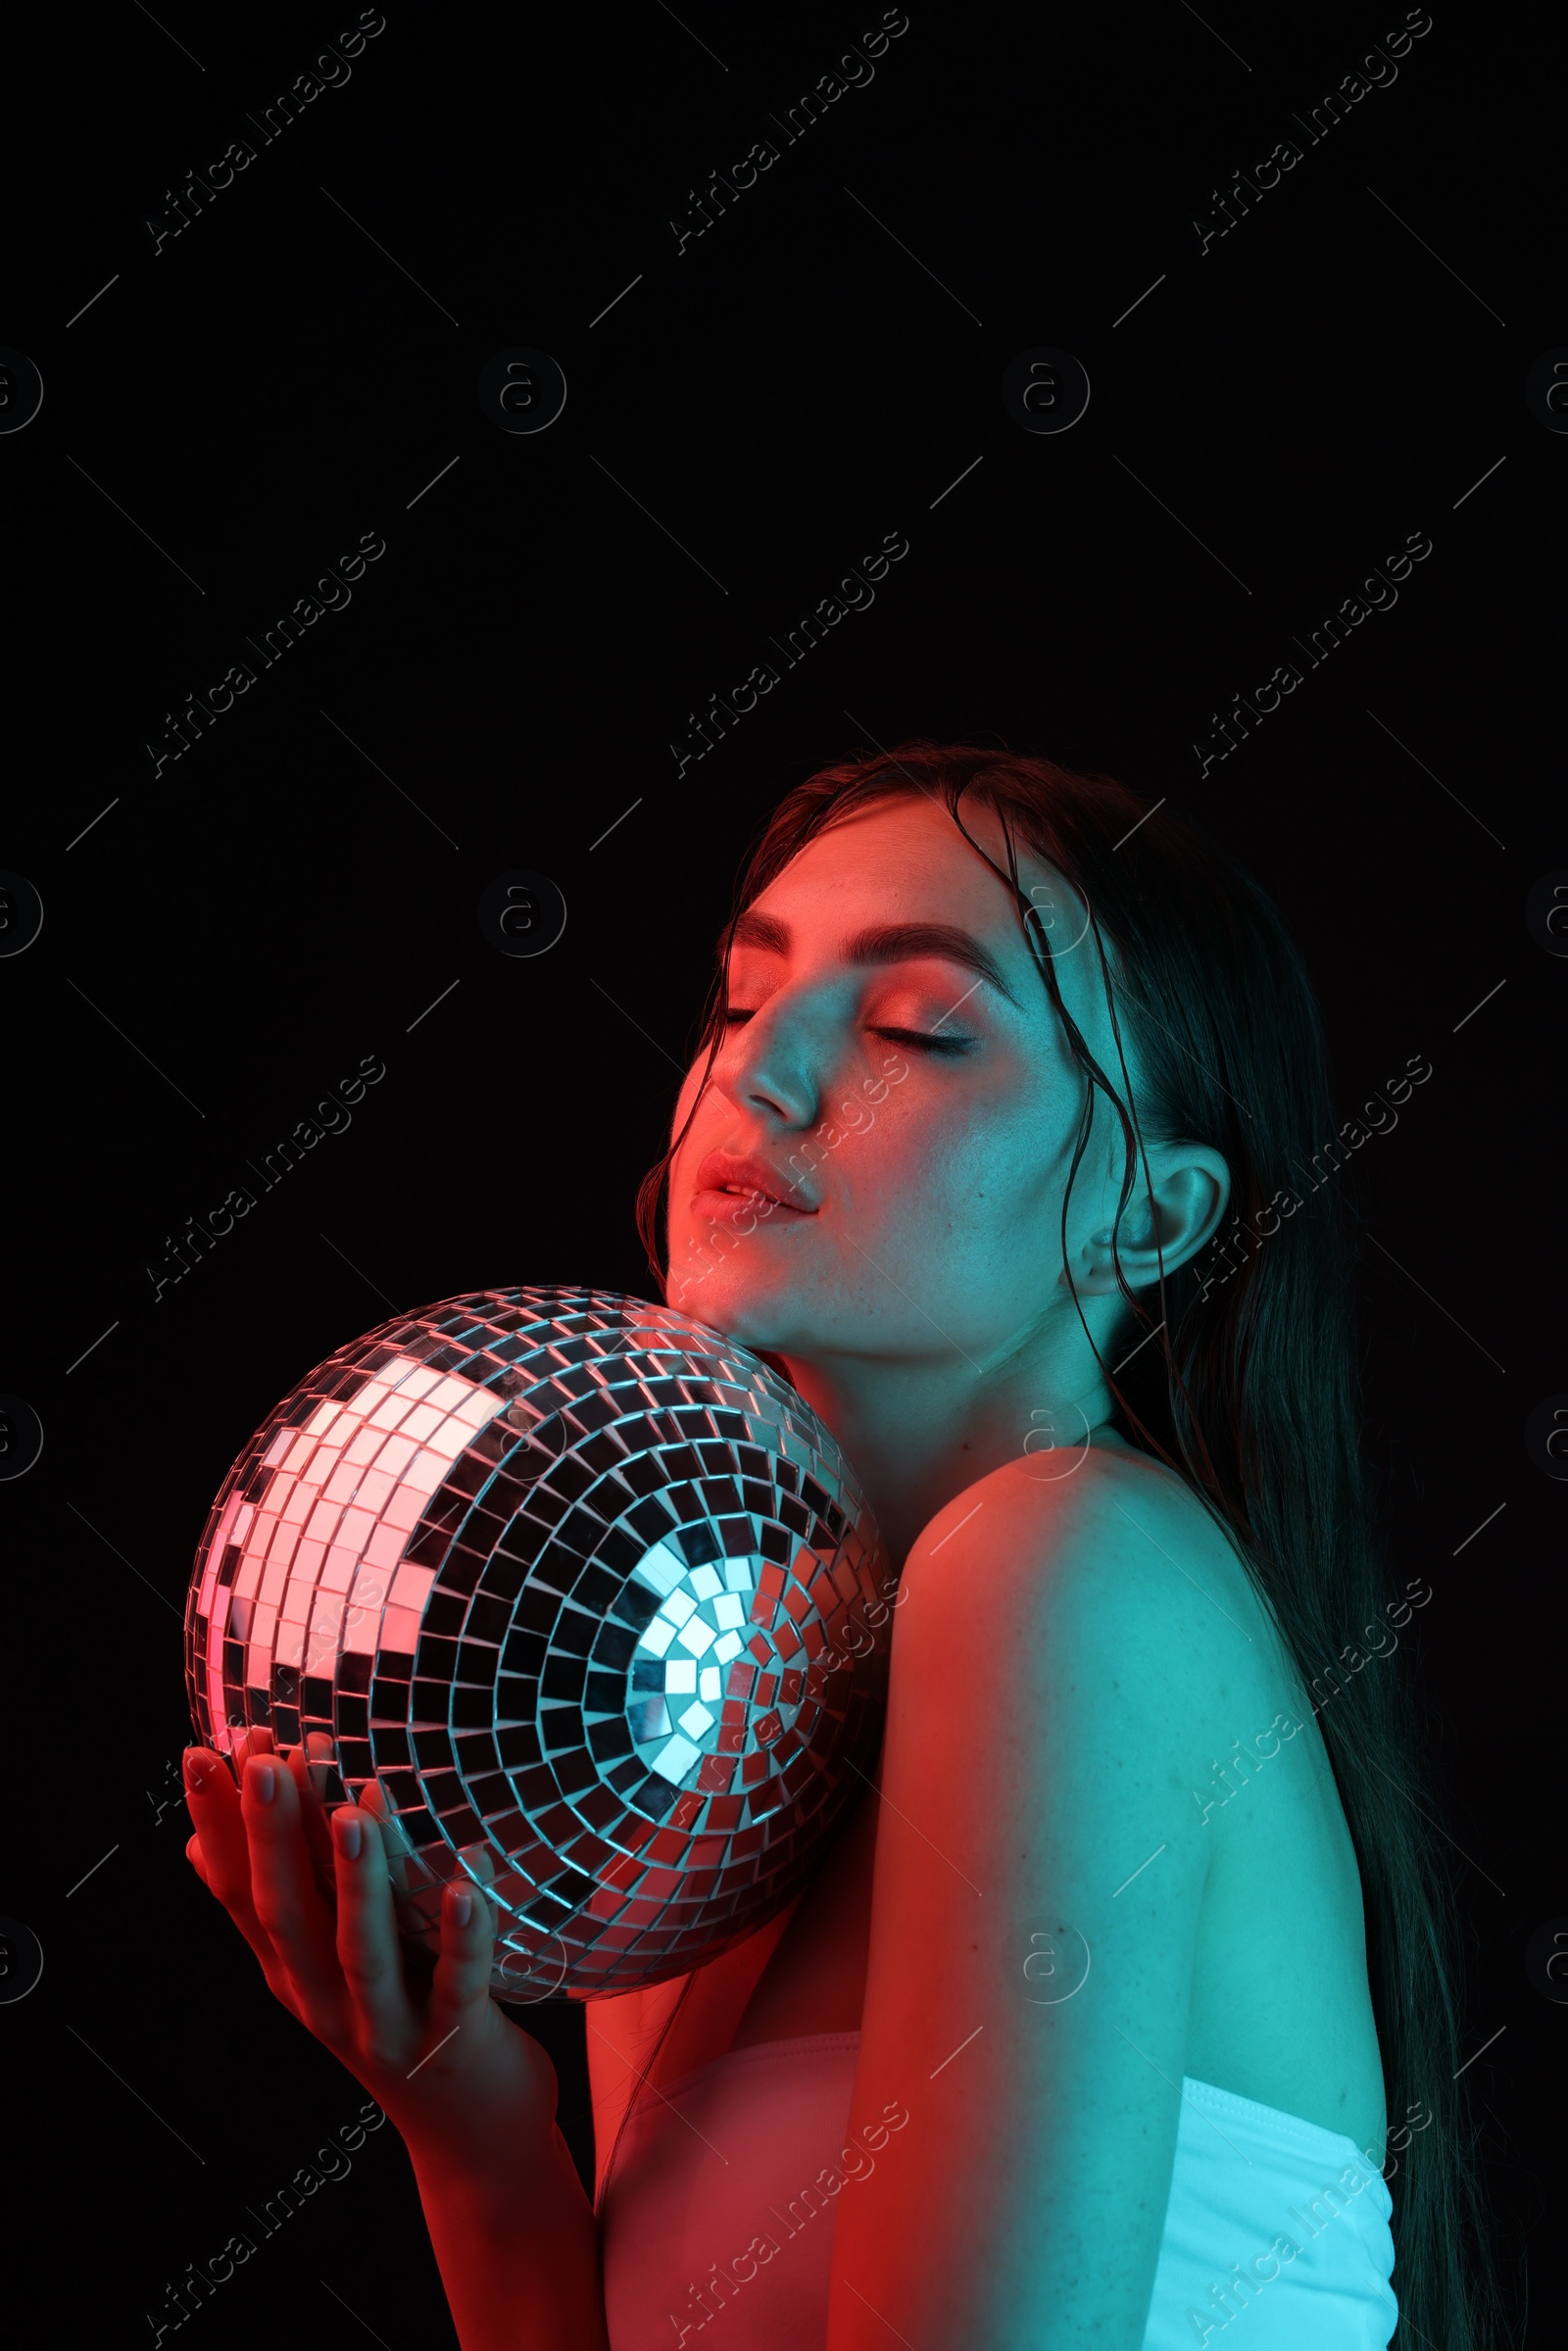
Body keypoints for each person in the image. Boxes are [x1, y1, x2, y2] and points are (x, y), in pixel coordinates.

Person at [182, 740, 1501, 2350]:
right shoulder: (719, 1735)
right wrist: (472, 2134)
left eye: (915, 1030)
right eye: (738, 1006)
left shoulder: (1065, 1564)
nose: (761, 1074)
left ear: (1149, 1219)